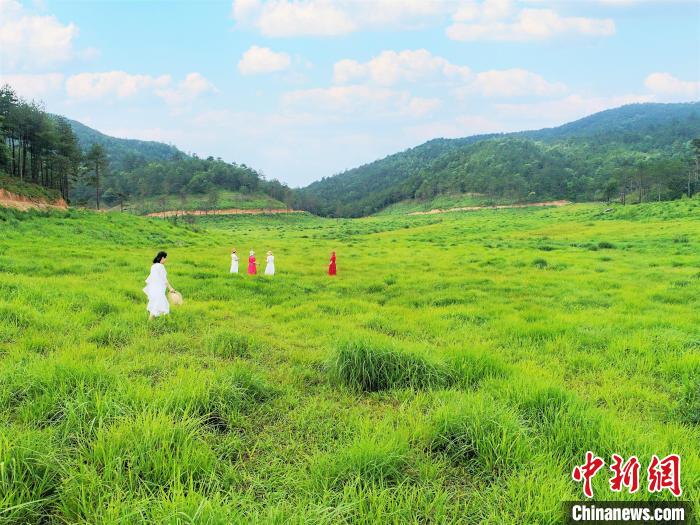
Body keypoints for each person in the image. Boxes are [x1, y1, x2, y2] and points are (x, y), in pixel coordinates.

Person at [144, 251, 175, 319]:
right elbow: (164, 279)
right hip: (158, 290)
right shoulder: (161, 266)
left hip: (153, 289)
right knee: (160, 305)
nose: (166, 260)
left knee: (157, 305)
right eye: (165, 258)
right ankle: (168, 321)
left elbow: (151, 278)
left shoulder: (153, 266)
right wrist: (170, 288)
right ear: (162, 257)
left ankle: (167, 320)